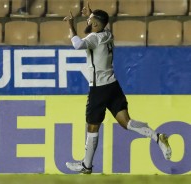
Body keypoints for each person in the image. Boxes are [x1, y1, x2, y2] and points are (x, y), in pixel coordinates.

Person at [63, 2, 172, 174]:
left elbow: (77, 44)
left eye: (90, 21)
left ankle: (86, 165)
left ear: (96, 24)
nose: (88, 23)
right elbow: (96, 27)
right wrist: (90, 16)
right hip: (113, 86)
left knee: (92, 126)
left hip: (99, 88)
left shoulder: (93, 38)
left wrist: (71, 27)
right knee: (126, 122)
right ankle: (157, 137)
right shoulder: (107, 33)